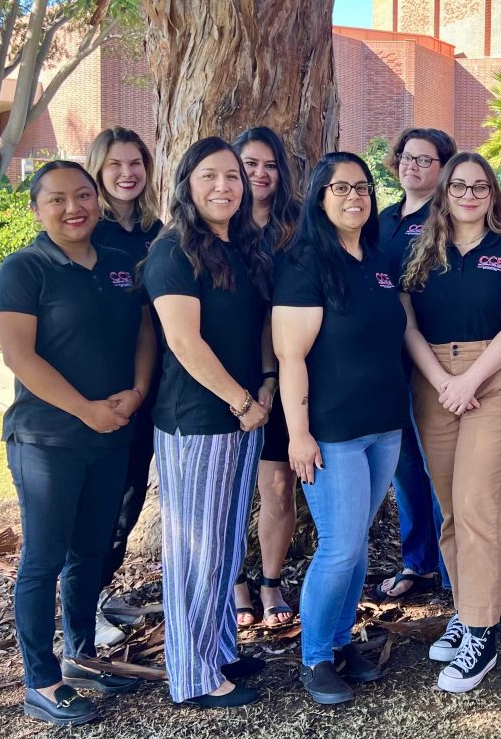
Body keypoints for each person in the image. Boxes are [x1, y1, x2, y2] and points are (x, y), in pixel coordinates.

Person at [0, 161, 155, 726]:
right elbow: (20, 356)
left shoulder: (118, 266)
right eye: (57, 199)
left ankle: (80, 655)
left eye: (83, 195)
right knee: (43, 557)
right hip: (47, 439)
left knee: (90, 550)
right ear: (37, 209)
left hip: (111, 434)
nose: (73, 208)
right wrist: (86, 410)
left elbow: (143, 332)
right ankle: (40, 679)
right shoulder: (25, 269)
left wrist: (135, 393)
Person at [142, 136, 274, 708]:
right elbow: (183, 342)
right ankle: (192, 676)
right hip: (197, 421)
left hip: (242, 417)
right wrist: (243, 402)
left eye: (233, 177)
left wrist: (262, 387)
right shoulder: (174, 252)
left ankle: (217, 648)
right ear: (187, 185)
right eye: (209, 177)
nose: (224, 187)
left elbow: (258, 327)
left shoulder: (242, 248)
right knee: (194, 551)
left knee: (221, 547)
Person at [273, 152, 408, 705]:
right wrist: (298, 434)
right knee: (340, 544)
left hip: (384, 426)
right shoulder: (305, 263)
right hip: (331, 431)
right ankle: (315, 658)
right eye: (340, 187)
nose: (354, 196)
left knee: (356, 546)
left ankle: (338, 639)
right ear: (319, 198)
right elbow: (290, 355)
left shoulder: (377, 261)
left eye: (362, 187)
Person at [401, 152, 501, 692]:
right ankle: (466, 606)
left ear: (493, 193)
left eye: (480, 186)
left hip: (494, 378)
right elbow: (406, 322)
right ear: (445, 191)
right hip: (434, 379)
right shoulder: (421, 248)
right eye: (459, 185)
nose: (470, 194)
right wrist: (441, 381)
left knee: (479, 505)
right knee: (452, 509)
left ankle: (482, 632)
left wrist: (469, 380)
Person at [84, 126, 163, 648]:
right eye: (115, 164)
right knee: (95, 503)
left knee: (128, 501)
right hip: (96, 393)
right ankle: (78, 608)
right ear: (97, 169)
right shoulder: (87, 229)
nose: (126, 173)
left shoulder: (159, 233)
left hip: (148, 390)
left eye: (135, 163)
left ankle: (90, 593)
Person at [373, 128, 457, 603]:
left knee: (436, 463)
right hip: (386, 360)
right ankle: (418, 561)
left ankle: (452, 567)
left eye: (426, 160)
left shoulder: (446, 218)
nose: (413, 166)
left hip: (435, 356)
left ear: (443, 168)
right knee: (404, 463)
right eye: (407, 157)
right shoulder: (380, 219)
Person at [230, 127, 301, 629]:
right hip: (226, 376)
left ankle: (272, 581)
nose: (259, 173)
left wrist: (274, 377)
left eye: (269, 164)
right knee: (230, 488)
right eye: (249, 163)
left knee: (277, 486)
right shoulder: (217, 227)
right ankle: (235, 581)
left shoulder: (296, 228)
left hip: (286, 374)